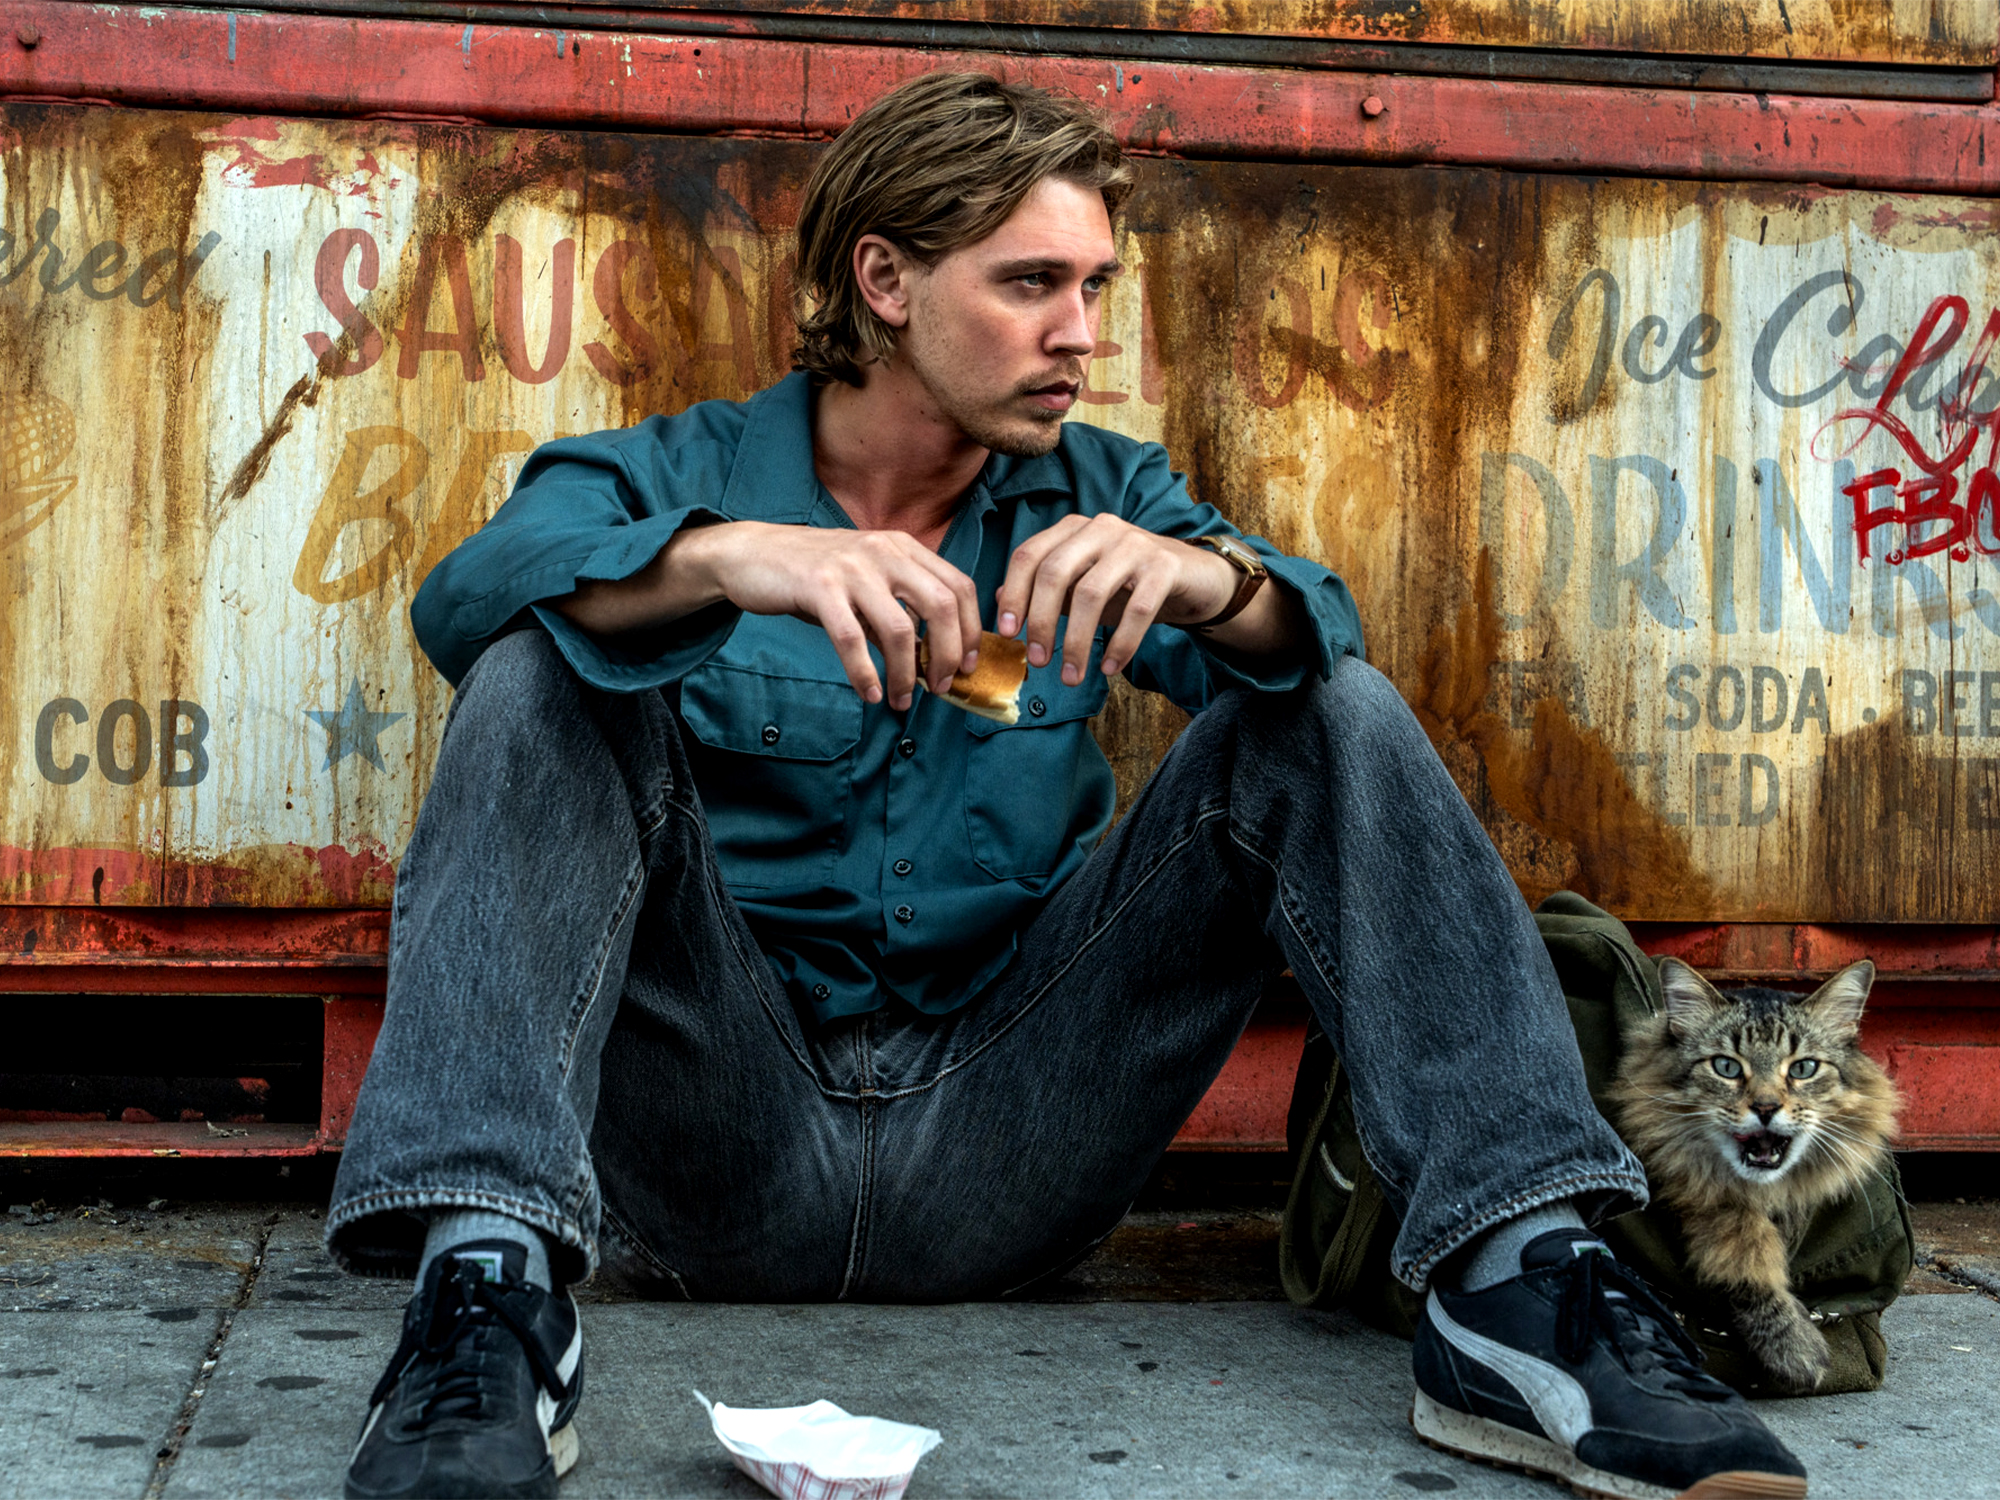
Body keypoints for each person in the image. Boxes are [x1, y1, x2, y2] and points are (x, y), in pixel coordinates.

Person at [327, 71, 1809, 1500]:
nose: (1080, 334)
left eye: (1096, 288)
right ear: (887, 282)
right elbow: (469, 599)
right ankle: (488, 1300)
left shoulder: (1102, 491)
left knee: (1319, 704)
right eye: (1032, 284)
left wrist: (1211, 584)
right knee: (540, 669)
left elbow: (1320, 639)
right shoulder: (674, 472)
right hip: (722, 1131)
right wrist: (727, 560)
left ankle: (1523, 1285)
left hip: (1014, 1129)